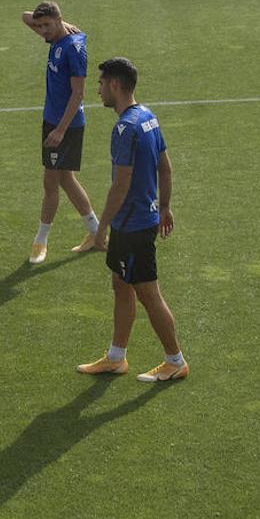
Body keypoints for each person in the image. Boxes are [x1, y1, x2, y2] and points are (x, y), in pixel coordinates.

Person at [75, 58, 188, 383]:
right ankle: (116, 357)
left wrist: (102, 227)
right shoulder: (148, 117)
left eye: (100, 83)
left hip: (132, 225)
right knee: (121, 284)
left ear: (114, 85)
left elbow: (120, 184)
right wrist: (164, 206)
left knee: (148, 294)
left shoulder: (125, 127)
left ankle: (175, 360)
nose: (97, 90)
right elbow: (164, 167)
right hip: (144, 217)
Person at [22, 2, 102, 263]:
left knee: (51, 183)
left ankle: (40, 241)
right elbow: (25, 17)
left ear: (59, 20)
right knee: (66, 180)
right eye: (40, 25)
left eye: (47, 25)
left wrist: (60, 131)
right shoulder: (57, 35)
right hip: (53, 121)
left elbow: (78, 94)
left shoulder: (73, 49)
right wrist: (57, 24)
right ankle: (96, 232)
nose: (42, 30)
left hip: (64, 124)